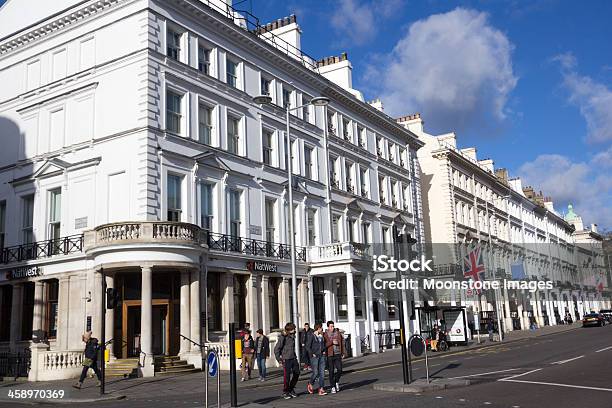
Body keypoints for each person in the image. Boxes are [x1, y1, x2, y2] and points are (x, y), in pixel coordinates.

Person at [274, 322, 300, 399]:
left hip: (293, 357)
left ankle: (291, 389)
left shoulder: (292, 336)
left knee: (297, 373)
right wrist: (279, 359)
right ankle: (285, 392)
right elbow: (276, 349)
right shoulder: (283, 337)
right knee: (287, 376)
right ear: (289, 330)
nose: (295, 330)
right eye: (293, 329)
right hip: (286, 359)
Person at [304, 323, 327, 396]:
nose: (322, 330)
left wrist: (324, 351)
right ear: (318, 328)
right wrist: (312, 353)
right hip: (314, 357)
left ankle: (321, 389)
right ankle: (310, 383)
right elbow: (307, 346)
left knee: (322, 374)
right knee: (316, 372)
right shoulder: (312, 336)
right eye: (321, 328)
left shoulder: (322, 336)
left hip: (322, 356)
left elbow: (323, 345)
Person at [323, 320, 345, 394]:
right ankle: (332, 386)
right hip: (330, 355)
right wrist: (331, 342)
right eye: (331, 326)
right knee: (331, 371)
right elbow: (324, 345)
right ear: (328, 327)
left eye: (333, 326)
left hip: (338, 354)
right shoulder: (325, 334)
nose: (332, 328)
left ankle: (336, 381)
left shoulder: (337, 333)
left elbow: (342, 342)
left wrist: (343, 352)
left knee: (340, 370)